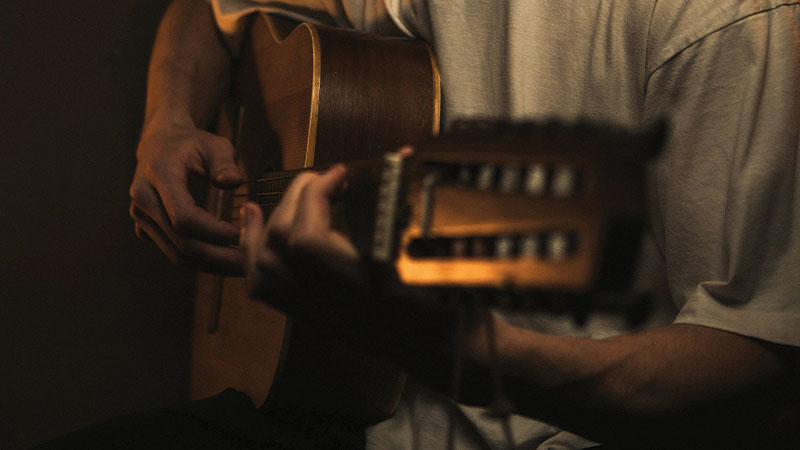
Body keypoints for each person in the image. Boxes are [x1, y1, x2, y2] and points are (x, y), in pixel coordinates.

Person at [124, 0, 800, 449]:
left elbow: (764, 374)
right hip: (369, 420)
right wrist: (168, 122)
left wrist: (466, 357)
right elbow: (208, 11)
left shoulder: (727, 19)